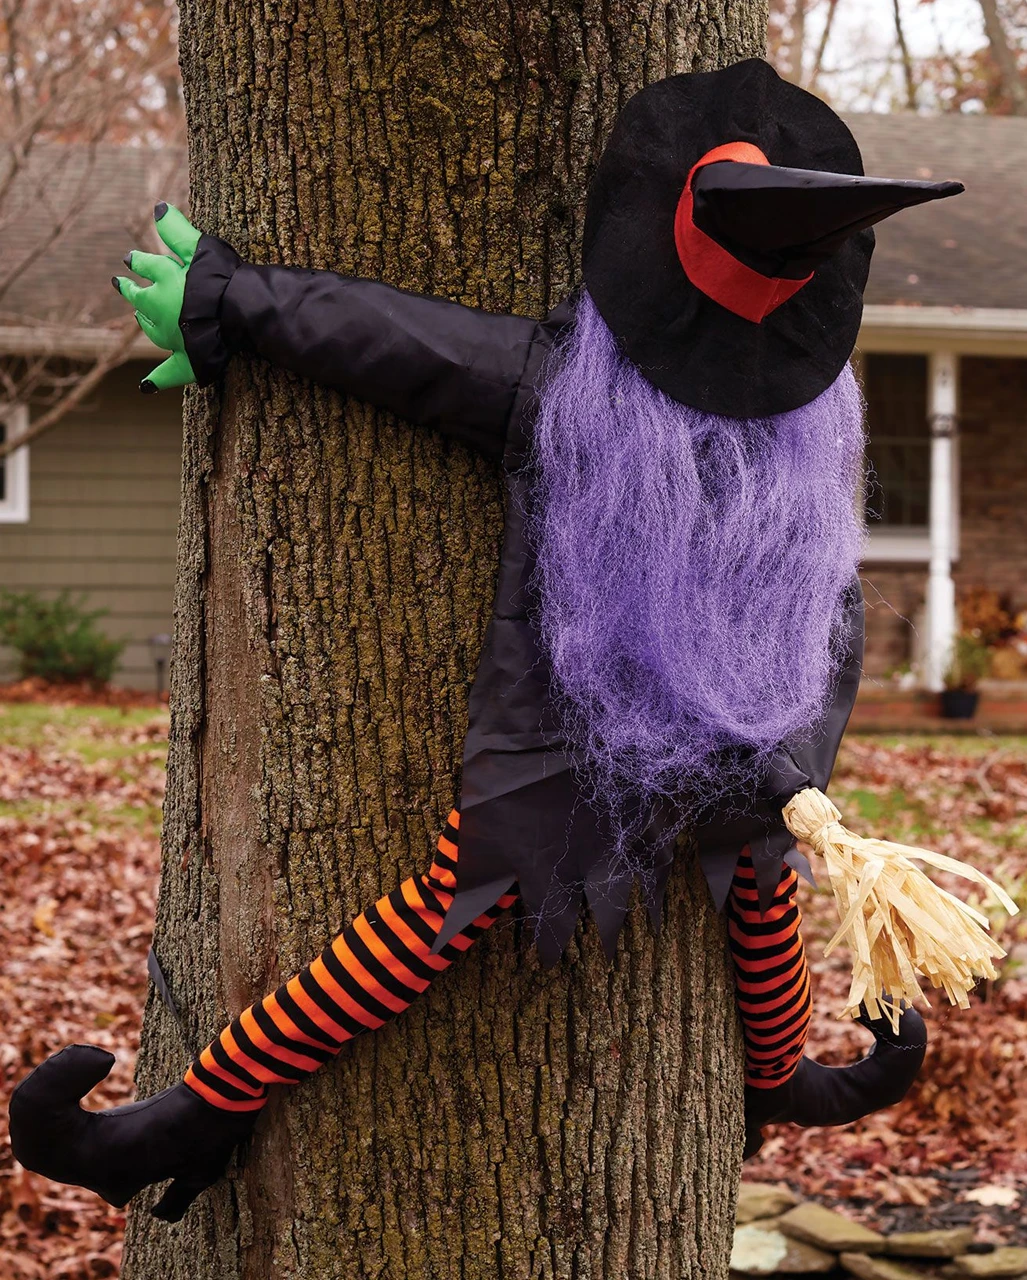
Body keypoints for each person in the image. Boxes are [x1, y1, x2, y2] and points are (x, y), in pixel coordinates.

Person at [10, 58, 994, 1223]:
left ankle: (198, 1110)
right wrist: (236, 302)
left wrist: (230, 300)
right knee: (636, 875)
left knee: (520, 890)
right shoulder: (753, 423)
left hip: (708, 738)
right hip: (644, 733)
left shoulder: (589, 387)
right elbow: (405, 345)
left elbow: (411, 347)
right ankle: (197, 1111)